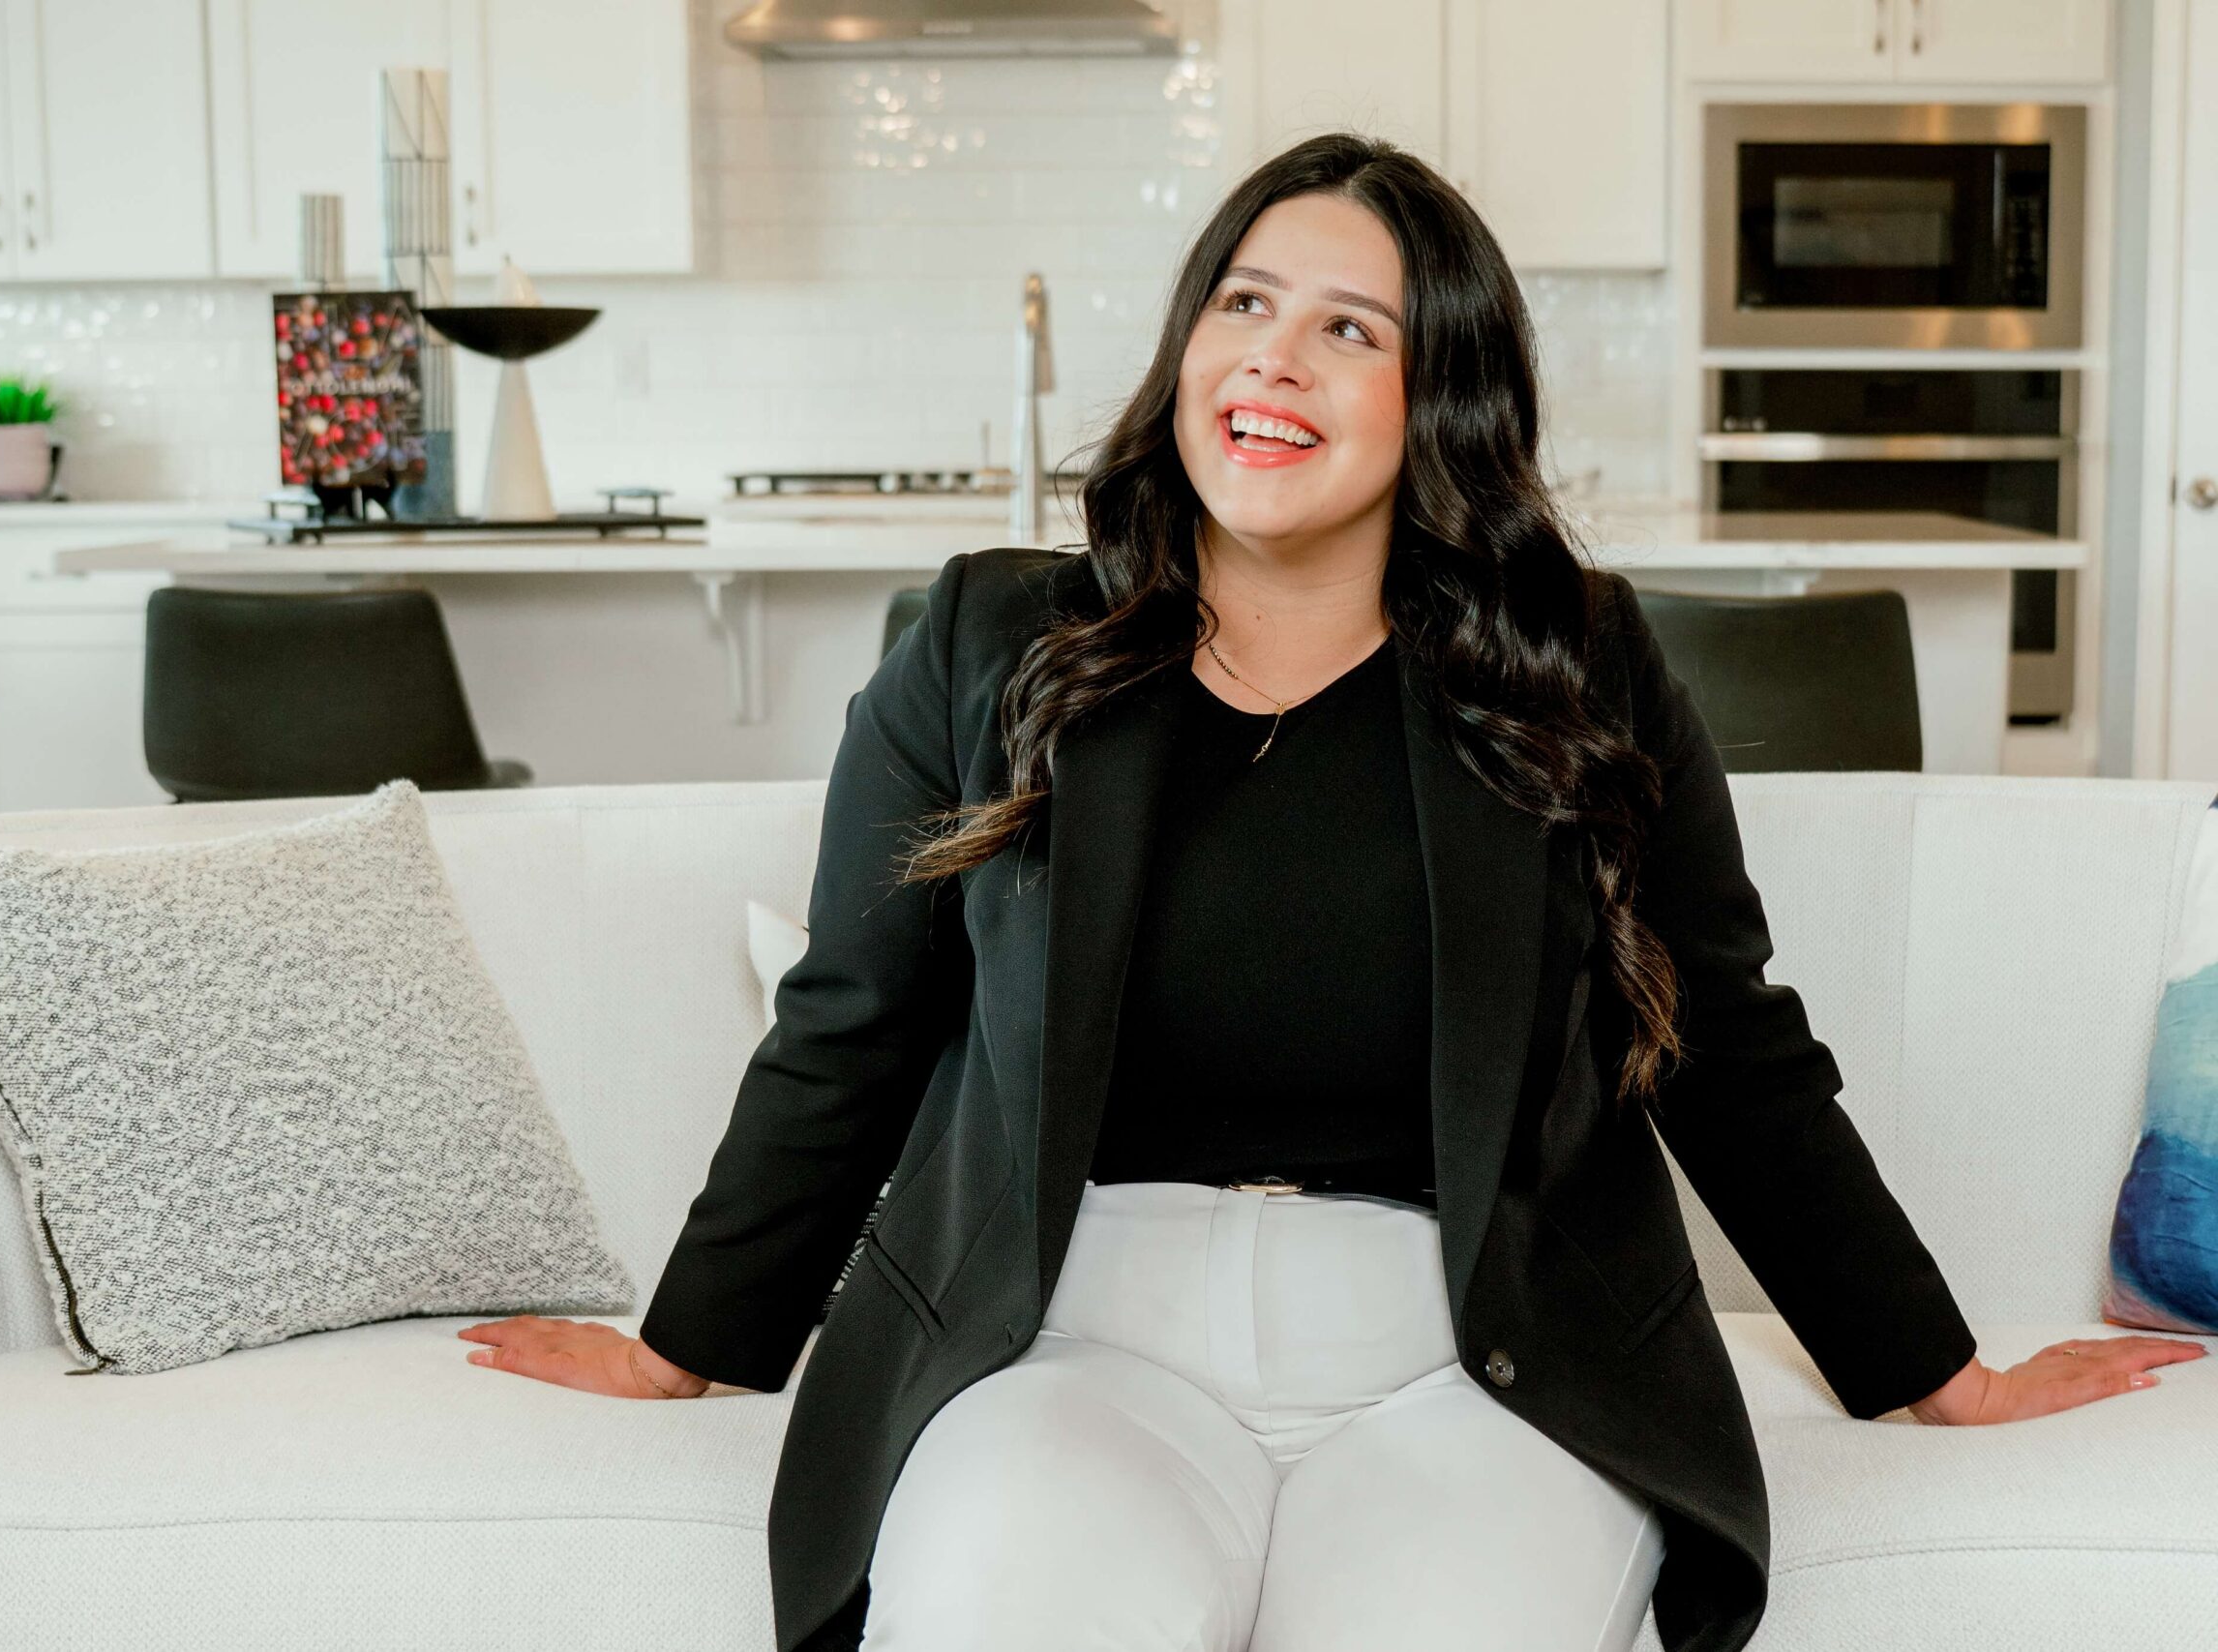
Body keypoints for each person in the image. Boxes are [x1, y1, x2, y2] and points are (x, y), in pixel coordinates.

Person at [454, 132, 2207, 1652]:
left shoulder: (1574, 673)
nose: (1271, 360)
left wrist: (1939, 1372)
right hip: (1070, 1343)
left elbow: (1727, 1046)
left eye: (1346, 327)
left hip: (1475, 1361)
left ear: (1435, 392)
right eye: (1243, 303)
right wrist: (691, 1345)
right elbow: (851, 1021)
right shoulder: (992, 647)